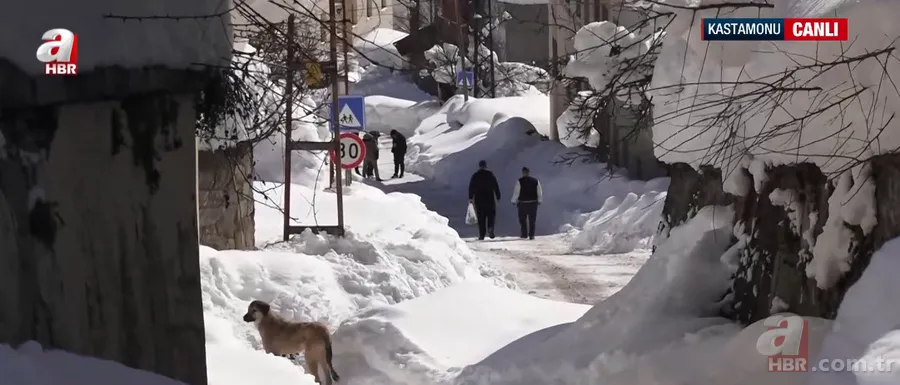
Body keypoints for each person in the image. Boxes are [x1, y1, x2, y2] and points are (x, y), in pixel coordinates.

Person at [468, 160, 501, 240]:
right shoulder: (490, 174)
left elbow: (471, 187)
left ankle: (482, 234)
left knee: (481, 217)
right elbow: (495, 185)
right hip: (489, 198)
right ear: (486, 166)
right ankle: (490, 228)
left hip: (479, 199)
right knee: (491, 215)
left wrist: (471, 197)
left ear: (479, 166)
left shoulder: (475, 176)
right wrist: (498, 195)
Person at [511, 167, 542, 240]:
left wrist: (513, 201)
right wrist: (540, 200)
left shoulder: (520, 181)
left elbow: (516, 192)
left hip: (522, 203)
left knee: (522, 220)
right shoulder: (535, 181)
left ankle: (524, 234)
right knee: (532, 220)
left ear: (523, 172)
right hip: (533, 203)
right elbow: (539, 192)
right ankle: (531, 235)